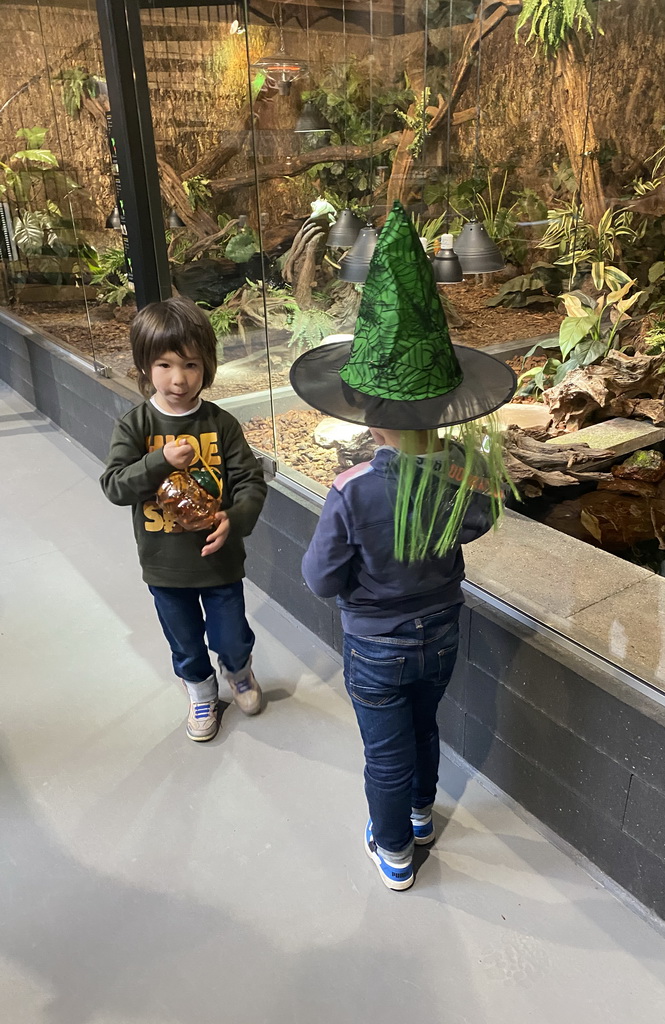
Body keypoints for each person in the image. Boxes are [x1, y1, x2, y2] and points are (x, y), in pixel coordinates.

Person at [293, 203, 517, 890]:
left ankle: (393, 849)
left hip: (376, 644)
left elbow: (321, 578)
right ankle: (422, 815)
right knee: (426, 725)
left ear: (371, 416)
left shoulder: (352, 489)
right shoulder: (461, 473)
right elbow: (476, 526)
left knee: (384, 751)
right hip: (443, 633)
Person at [100, 297, 267, 742]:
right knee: (185, 642)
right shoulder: (135, 425)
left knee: (231, 637)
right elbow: (115, 485)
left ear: (207, 366)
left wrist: (235, 517)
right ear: (144, 366)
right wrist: (158, 460)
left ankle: (240, 672)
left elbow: (251, 481)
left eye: (191, 365)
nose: (179, 379)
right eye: (165, 364)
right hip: (165, 564)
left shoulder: (221, 423)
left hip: (219, 561)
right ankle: (200, 691)